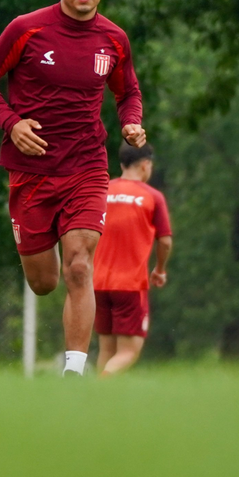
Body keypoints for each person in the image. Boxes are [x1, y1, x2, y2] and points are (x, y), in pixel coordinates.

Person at [0, 0, 146, 376]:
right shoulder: (26, 29)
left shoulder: (114, 39)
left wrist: (131, 121)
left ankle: (73, 372)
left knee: (80, 263)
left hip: (87, 164)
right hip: (30, 170)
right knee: (44, 282)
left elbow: (129, 93)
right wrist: (12, 124)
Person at [93, 143, 172, 376]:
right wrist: (159, 269)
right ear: (146, 165)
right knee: (129, 351)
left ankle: (102, 404)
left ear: (121, 164)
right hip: (129, 284)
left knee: (107, 350)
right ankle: (99, 387)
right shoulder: (152, 197)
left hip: (97, 283)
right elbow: (165, 241)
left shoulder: (101, 191)